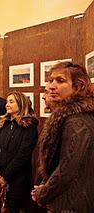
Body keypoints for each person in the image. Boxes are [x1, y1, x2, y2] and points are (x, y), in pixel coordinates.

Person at [31, 62, 94, 212]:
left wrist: (43, 193)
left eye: (60, 81)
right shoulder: (72, 118)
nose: (51, 86)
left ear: (78, 87)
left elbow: (66, 170)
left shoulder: (76, 121)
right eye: (51, 80)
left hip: (72, 205)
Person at [0, 91, 38, 213]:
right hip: (0, 179)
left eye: (11, 101)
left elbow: (23, 155)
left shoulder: (29, 126)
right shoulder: (4, 124)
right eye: (7, 101)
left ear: (21, 104)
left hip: (18, 180)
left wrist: (5, 177)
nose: (7, 104)